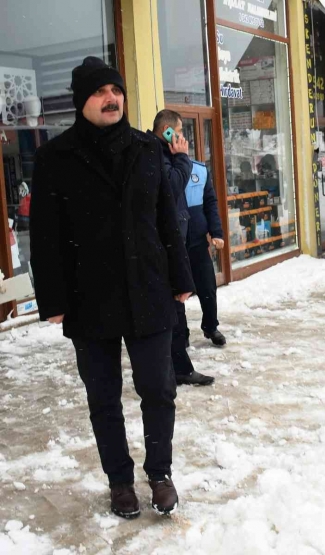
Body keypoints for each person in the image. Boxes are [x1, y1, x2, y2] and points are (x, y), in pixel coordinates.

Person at [30, 57, 193, 519]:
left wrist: (181, 278)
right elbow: (46, 237)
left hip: (149, 290)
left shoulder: (147, 150)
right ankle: (119, 482)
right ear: (83, 100)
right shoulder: (55, 158)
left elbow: (166, 219)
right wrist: (54, 300)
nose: (112, 98)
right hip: (90, 298)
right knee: (103, 398)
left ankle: (159, 473)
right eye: (101, 91)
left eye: (116, 90)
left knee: (159, 390)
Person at [148, 110, 215, 386]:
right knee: (171, 310)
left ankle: (178, 367)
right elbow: (171, 188)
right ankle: (175, 370)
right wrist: (182, 157)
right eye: (178, 132)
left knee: (176, 307)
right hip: (162, 245)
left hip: (172, 241)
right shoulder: (157, 155)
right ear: (166, 131)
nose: (183, 138)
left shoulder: (162, 155)